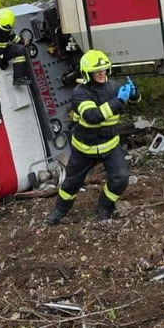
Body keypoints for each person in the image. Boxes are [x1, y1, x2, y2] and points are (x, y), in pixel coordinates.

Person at [47, 50, 139, 224]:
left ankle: (104, 207)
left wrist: (134, 93)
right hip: (84, 148)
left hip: (110, 145)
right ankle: (60, 210)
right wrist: (119, 101)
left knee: (120, 178)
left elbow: (135, 99)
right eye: (98, 71)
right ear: (87, 73)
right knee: (71, 184)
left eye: (104, 69)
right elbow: (92, 116)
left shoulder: (113, 86)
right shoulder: (80, 93)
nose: (102, 73)